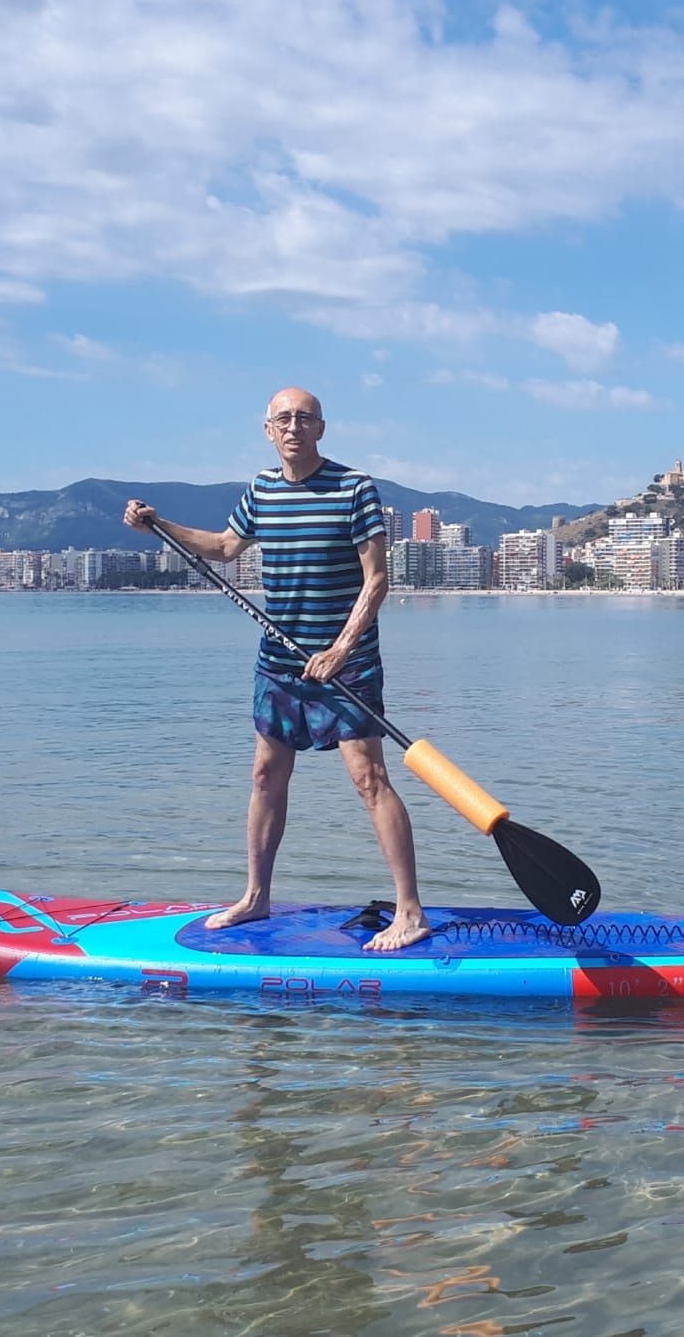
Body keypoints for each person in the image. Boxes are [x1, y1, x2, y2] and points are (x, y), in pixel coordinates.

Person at [124, 387, 428, 951]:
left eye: (304, 418)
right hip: (279, 660)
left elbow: (377, 579)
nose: (293, 427)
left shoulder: (354, 488)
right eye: (283, 418)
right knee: (266, 774)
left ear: (321, 428)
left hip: (347, 663)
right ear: (268, 430)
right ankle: (256, 896)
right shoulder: (261, 490)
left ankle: (409, 912)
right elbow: (223, 547)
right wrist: (160, 525)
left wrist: (340, 649)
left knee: (368, 778)